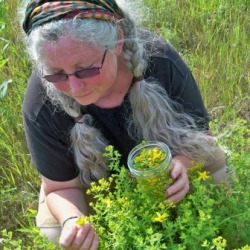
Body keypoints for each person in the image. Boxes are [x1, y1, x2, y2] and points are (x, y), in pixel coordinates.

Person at [20, 0, 229, 249]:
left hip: (170, 161)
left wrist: (182, 164)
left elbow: (201, 135)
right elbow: (58, 187)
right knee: (53, 233)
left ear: (117, 42)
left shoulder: (160, 60)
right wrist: (72, 220)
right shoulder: (40, 102)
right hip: (95, 183)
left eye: (85, 69)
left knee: (220, 180)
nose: (74, 88)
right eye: (56, 74)